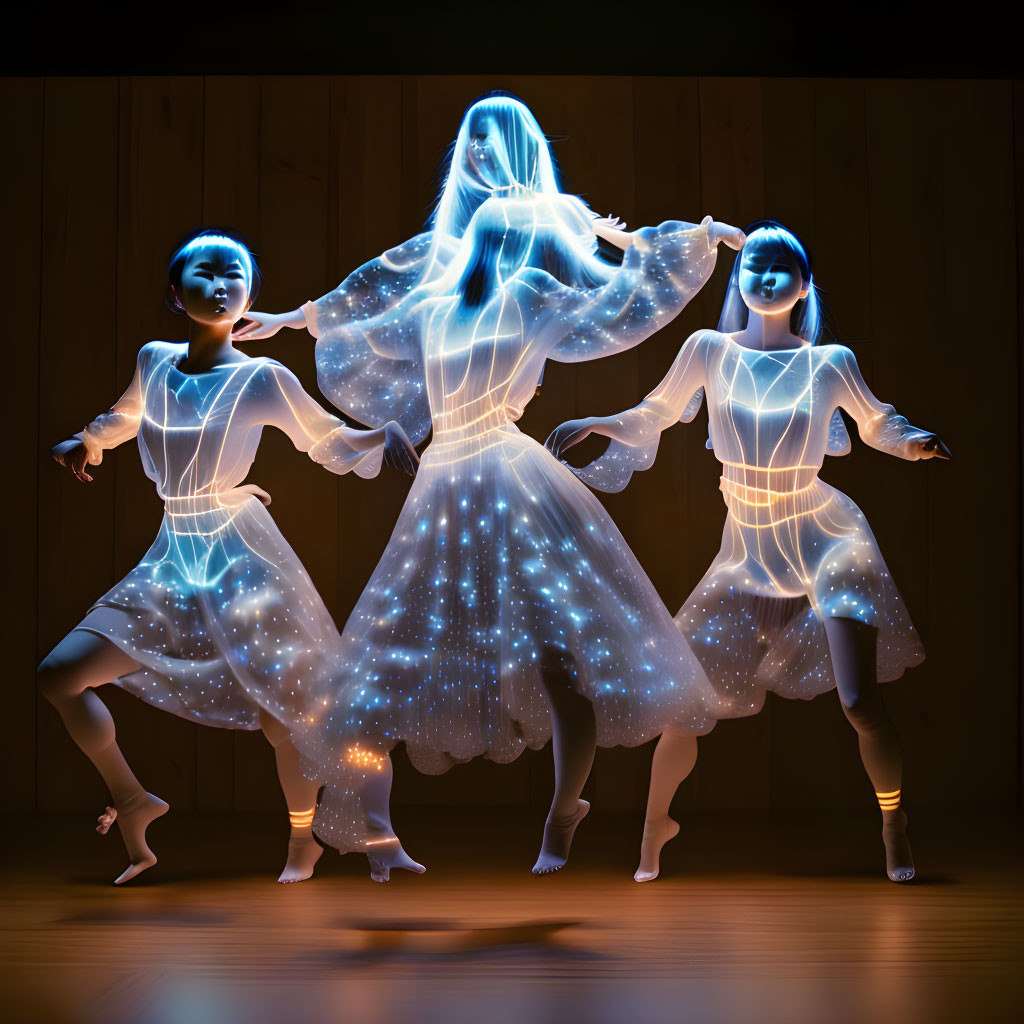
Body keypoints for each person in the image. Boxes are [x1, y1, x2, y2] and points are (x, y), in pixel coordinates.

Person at [295, 195, 743, 880]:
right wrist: (370, 414)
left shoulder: (534, 293)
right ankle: (379, 832)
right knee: (385, 661)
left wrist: (685, 240)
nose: (515, 247)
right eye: (505, 235)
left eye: (528, 238)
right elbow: (363, 331)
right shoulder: (433, 304)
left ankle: (564, 814)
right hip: (445, 482)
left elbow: (622, 301)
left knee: (562, 661)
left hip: (511, 475)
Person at [547, 222, 950, 884]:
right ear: (737, 278)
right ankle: (653, 832)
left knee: (858, 700)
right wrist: (599, 422)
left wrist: (913, 442)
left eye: (780, 267)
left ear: (804, 285)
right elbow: (657, 410)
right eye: (754, 264)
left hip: (826, 535)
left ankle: (893, 824)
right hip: (750, 546)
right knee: (687, 702)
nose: (764, 275)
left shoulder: (829, 361)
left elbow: (878, 422)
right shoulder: (708, 350)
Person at [40, 229, 418, 885]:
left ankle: (304, 841)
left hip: (236, 552)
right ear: (175, 291)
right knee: (60, 674)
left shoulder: (262, 377)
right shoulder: (155, 360)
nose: (221, 285)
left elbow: (324, 439)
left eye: (235, 275)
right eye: (206, 272)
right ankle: (134, 799)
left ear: (249, 296)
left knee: (285, 714)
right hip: (172, 554)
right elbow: (128, 415)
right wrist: (89, 440)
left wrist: (377, 434)